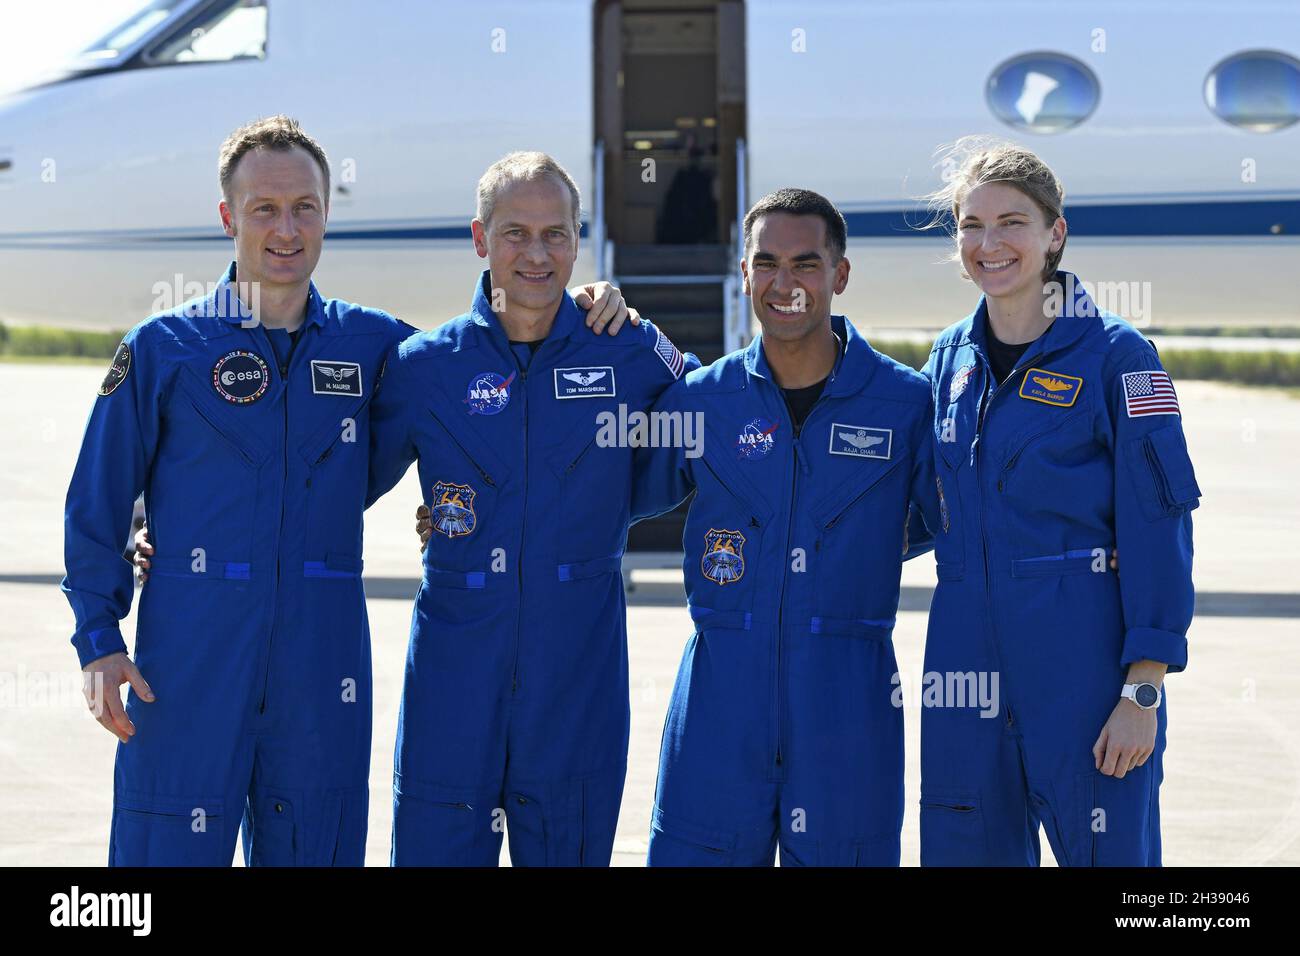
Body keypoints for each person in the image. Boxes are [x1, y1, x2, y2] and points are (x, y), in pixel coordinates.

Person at [72, 117, 630, 867]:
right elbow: (97, 502)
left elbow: (481, 362)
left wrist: (583, 306)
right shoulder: (164, 348)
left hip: (321, 661)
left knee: (318, 845)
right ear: (228, 217)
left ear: (327, 215)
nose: (286, 228)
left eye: (305, 206)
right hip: (189, 657)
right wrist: (100, 640)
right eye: (264, 209)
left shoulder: (375, 345)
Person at [366, 151, 698, 866]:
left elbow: (721, 420)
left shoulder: (627, 347)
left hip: (576, 680)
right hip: (454, 680)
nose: (538, 254)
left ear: (581, 241)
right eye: (516, 233)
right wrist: (169, 533)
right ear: (480, 238)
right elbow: (325, 480)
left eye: (557, 233)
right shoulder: (426, 366)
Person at [628, 188, 940, 865]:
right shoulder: (702, 400)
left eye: (805, 264)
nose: (784, 283)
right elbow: (605, 497)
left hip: (849, 706)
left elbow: (969, 522)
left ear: (841, 275)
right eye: (766, 263)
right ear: (744, 274)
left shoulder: (905, 404)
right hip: (718, 702)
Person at [918, 139, 1200, 866]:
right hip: (961, 665)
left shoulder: (1118, 356)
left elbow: (1158, 520)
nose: (990, 243)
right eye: (971, 225)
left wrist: (1143, 690)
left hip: (1082, 671)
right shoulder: (948, 361)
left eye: (1012, 222)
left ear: (1055, 234)